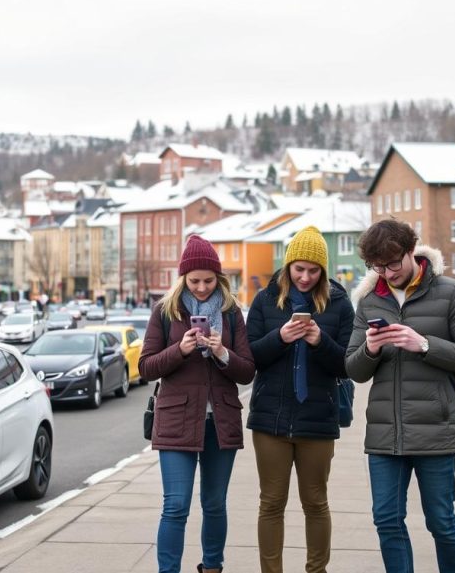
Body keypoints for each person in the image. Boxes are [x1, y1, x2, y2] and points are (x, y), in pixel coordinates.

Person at [344, 220, 455, 573]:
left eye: (393, 263)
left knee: (441, 522)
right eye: (378, 266)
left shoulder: (450, 292)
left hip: (435, 430)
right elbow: (354, 370)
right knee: (387, 522)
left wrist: (423, 344)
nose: (387, 272)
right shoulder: (369, 301)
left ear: (412, 251)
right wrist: (371, 350)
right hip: (384, 435)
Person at [138, 234, 256, 573]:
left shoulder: (232, 314)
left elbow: (247, 371)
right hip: (176, 420)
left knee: (215, 503)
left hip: (220, 422)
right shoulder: (165, 311)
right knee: (175, 505)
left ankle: (213, 567)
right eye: (194, 281)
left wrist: (222, 352)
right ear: (183, 279)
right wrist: (181, 349)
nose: (202, 287)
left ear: (219, 279)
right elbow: (146, 367)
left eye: (208, 280)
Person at [245, 226, 354, 573]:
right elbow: (248, 360)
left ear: (323, 270)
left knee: (316, 503)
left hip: (318, 418)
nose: (305, 277)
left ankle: (316, 570)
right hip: (270, 420)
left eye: (313, 270)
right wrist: (280, 336)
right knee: (271, 504)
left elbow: (347, 364)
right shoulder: (265, 300)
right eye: (299, 268)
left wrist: (319, 340)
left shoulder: (339, 303)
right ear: (288, 264)